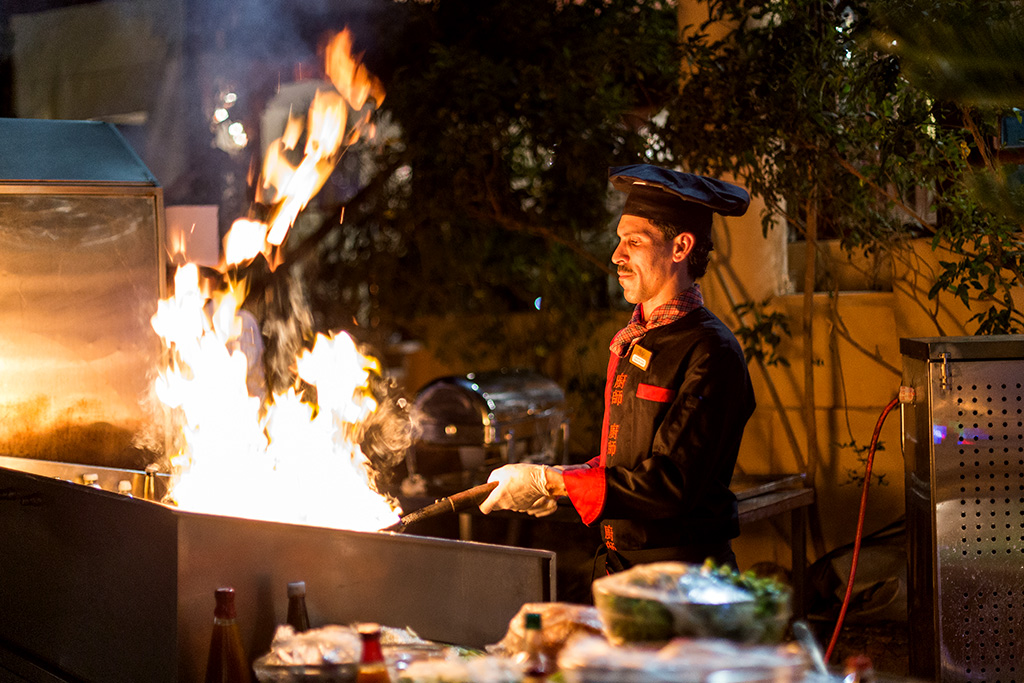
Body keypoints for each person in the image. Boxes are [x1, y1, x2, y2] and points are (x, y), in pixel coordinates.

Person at [478, 164, 755, 574]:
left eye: (634, 242)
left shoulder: (711, 350)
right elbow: (626, 463)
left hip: (683, 578)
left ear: (680, 247)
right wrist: (560, 481)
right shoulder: (637, 339)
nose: (617, 256)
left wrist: (550, 481)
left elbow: (670, 483)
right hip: (622, 567)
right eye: (619, 240)